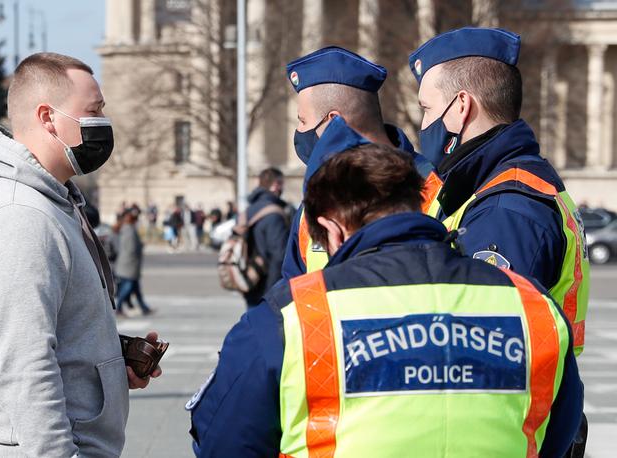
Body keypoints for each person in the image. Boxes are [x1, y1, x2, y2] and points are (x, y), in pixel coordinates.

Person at [188, 144, 583, 458]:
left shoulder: (292, 316)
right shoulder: (533, 307)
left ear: (332, 228)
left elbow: (223, 441)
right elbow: (555, 436)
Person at [0, 52, 161, 458]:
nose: (103, 121)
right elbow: (23, 364)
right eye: (94, 110)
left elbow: (53, 324)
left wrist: (110, 360)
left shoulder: (55, 204)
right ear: (49, 117)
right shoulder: (21, 215)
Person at [410, 27, 589, 355]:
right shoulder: (505, 185)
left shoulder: (505, 210)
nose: (423, 126)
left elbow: (480, 350)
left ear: (461, 105)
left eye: (427, 109)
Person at [281, 46, 432, 280]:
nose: (300, 131)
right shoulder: (314, 197)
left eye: (303, 120)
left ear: (333, 122)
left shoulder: (436, 186)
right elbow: (291, 289)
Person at [243, 167, 290, 307]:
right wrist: (275, 293)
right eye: (281, 184)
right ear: (275, 185)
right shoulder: (274, 213)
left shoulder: (249, 210)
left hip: (250, 279)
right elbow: (279, 255)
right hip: (267, 287)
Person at [115, 206, 153, 316]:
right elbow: (130, 247)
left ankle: (144, 308)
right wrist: (140, 246)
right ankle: (119, 307)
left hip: (128, 264)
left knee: (136, 288)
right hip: (129, 264)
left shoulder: (127, 228)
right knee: (127, 287)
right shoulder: (129, 229)